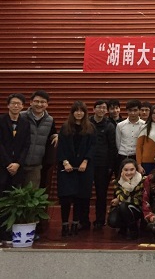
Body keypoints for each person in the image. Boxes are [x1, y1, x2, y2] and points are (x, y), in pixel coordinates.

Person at [56, 101, 95, 236]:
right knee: (66, 198)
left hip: (83, 168)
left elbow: (93, 147)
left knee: (80, 197)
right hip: (67, 168)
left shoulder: (90, 128)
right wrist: (65, 162)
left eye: (81, 111)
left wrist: (85, 161)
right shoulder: (65, 127)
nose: (79, 113)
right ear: (72, 112)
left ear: (85, 112)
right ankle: (64, 225)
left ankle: (75, 224)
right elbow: (61, 146)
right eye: (76, 111)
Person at [88, 100, 117, 230]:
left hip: (103, 165)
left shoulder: (110, 126)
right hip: (87, 163)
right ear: (93, 109)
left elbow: (112, 147)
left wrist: (111, 165)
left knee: (101, 194)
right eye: (99, 107)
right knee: (85, 193)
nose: (101, 110)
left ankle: (100, 220)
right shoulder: (87, 123)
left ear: (106, 111)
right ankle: (83, 220)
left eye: (104, 108)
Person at [20, 90, 57, 188]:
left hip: (36, 165)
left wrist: (56, 136)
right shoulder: (21, 116)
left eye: (43, 102)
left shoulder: (50, 120)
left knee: (32, 193)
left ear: (47, 104)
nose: (39, 104)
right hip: (18, 163)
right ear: (31, 102)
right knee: (13, 193)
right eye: (36, 101)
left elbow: (52, 134)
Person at [0, 94, 30, 194]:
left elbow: (26, 145)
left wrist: (18, 163)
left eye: (18, 104)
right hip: (2, 164)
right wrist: (8, 163)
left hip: (18, 167)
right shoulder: (1, 120)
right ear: (8, 105)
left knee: (15, 195)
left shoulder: (25, 123)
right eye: (13, 103)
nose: (16, 106)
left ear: (22, 106)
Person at [108, 158, 144, 239]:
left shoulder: (142, 180)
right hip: (123, 207)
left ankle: (133, 230)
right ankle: (123, 227)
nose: (129, 172)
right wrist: (127, 183)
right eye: (126, 170)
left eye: (132, 169)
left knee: (123, 205)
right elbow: (121, 197)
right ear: (122, 170)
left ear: (136, 169)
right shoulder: (117, 182)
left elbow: (138, 200)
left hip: (137, 208)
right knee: (112, 221)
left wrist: (120, 200)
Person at [115, 99, 145, 170]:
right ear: (127, 111)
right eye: (130, 110)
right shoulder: (120, 125)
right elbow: (118, 142)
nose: (133, 113)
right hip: (123, 156)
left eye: (135, 110)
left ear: (139, 110)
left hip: (137, 157)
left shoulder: (144, 125)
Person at [136, 104, 155, 175]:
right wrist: (139, 165)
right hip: (146, 163)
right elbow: (138, 147)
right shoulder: (144, 128)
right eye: (154, 113)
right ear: (151, 114)